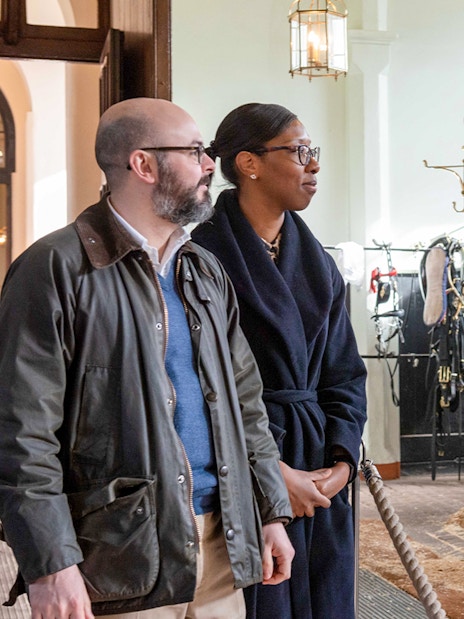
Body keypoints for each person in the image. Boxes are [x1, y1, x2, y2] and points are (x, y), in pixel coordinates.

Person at [0, 97, 294, 619]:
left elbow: (245, 402)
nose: (210, 165)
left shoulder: (204, 270)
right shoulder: (53, 269)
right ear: (143, 164)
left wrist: (270, 512)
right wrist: (50, 563)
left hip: (220, 541)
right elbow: (21, 433)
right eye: (196, 151)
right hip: (117, 555)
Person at [192, 102, 367, 619]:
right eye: (299, 151)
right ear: (249, 163)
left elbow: (344, 372)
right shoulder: (200, 256)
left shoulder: (320, 265)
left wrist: (341, 460)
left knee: (326, 596)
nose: (313, 165)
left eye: (314, 152)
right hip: (244, 465)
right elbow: (197, 383)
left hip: (316, 462)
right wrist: (271, 475)